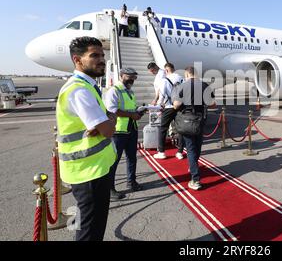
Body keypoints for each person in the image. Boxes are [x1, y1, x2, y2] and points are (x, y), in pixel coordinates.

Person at [55, 36, 117, 241]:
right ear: (77, 60)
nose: (102, 59)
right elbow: (108, 130)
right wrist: (109, 120)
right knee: (90, 231)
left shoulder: (87, 86)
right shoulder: (80, 90)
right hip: (89, 172)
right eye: (94, 55)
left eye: (102, 55)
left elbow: (103, 124)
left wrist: (104, 122)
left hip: (89, 169)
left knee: (85, 225)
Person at [103, 67, 144, 200]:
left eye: (134, 77)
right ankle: (110, 189)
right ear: (121, 76)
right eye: (129, 76)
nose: (132, 79)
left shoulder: (130, 92)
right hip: (118, 131)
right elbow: (112, 110)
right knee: (113, 161)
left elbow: (129, 108)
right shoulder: (114, 91)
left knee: (132, 157)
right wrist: (132, 114)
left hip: (131, 129)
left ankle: (131, 182)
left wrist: (139, 111)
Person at [173, 66, 216, 190]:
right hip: (200, 120)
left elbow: (176, 105)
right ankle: (193, 166)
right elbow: (213, 104)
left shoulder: (182, 86)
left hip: (187, 120)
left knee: (190, 149)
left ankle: (195, 179)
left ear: (186, 75)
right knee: (197, 146)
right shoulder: (204, 85)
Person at [152, 63, 185, 160]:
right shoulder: (182, 78)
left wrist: (159, 105)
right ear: (173, 69)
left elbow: (162, 95)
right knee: (181, 130)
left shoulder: (164, 80)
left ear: (166, 70)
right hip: (180, 106)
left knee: (163, 129)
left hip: (169, 107)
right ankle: (180, 152)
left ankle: (162, 152)